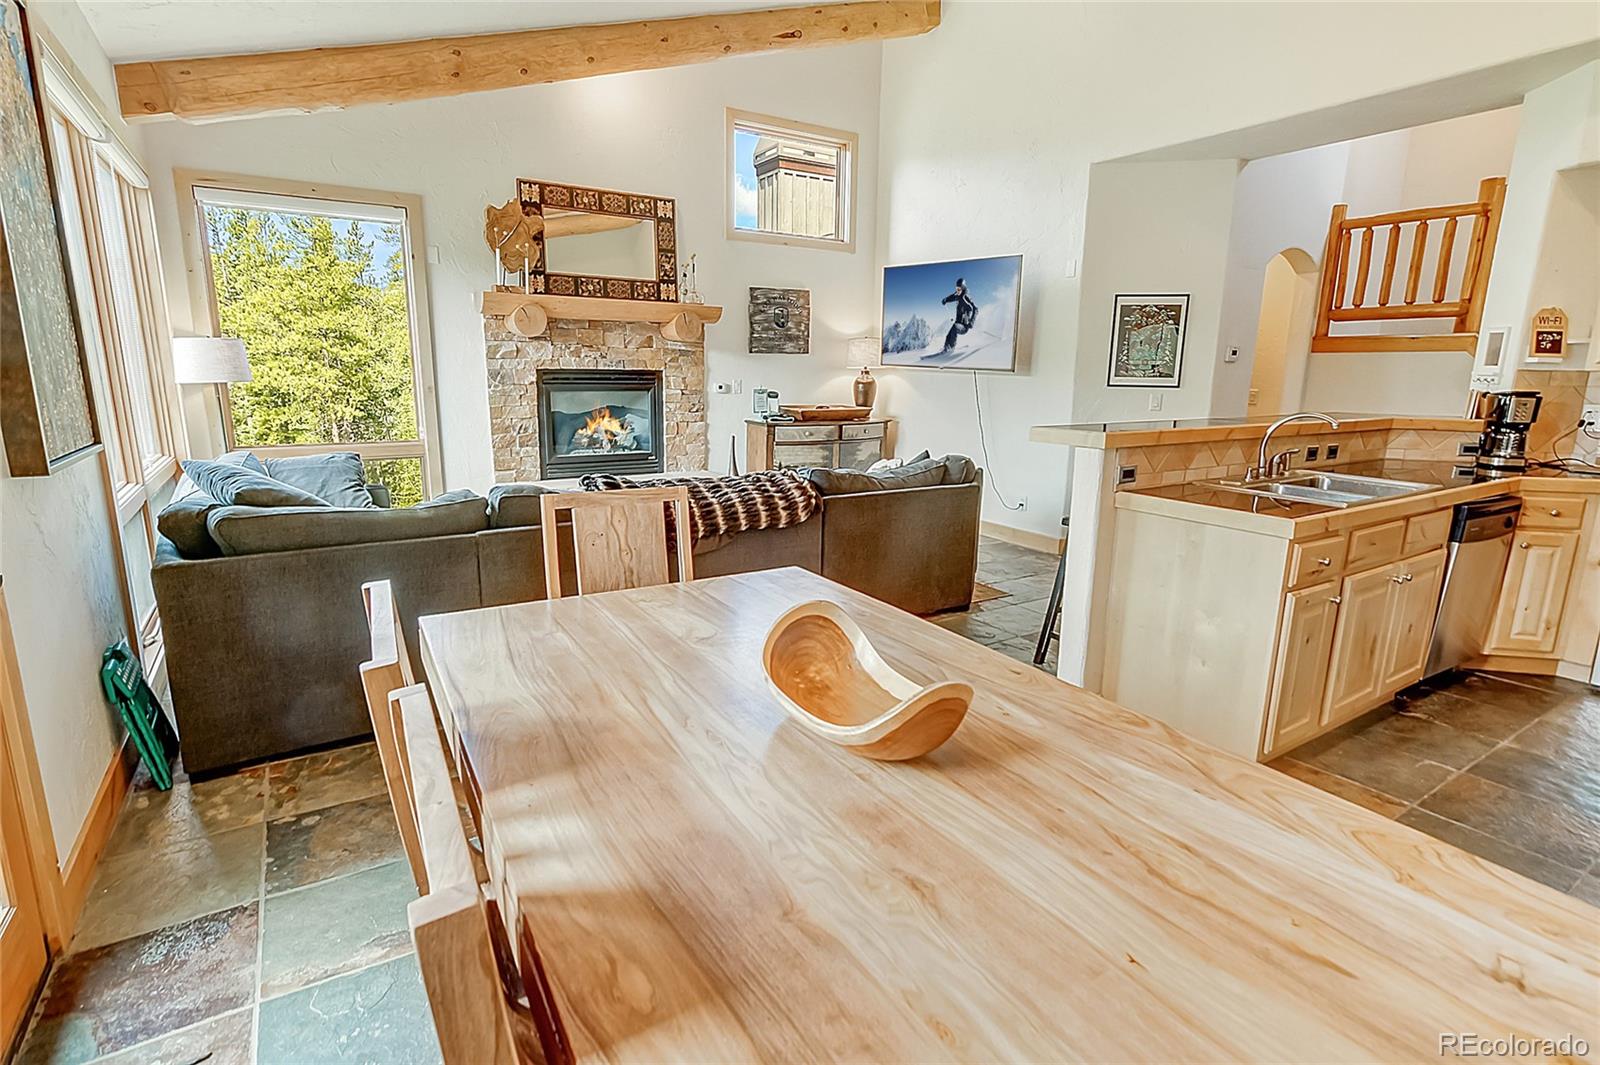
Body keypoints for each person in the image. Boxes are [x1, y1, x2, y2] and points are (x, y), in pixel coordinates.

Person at [940, 277, 978, 354]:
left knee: (954, 328)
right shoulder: (957, 295)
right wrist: (945, 300)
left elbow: (976, 309)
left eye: (959, 289)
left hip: (964, 326)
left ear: (963, 288)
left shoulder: (966, 298)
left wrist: (972, 322)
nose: (957, 291)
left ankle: (951, 348)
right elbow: (952, 297)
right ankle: (946, 347)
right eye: (956, 289)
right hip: (958, 323)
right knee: (949, 334)